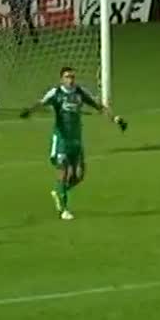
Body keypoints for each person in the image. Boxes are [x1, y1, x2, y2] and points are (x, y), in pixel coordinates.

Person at [20, 67, 127, 220]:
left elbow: (99, 107)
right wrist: (29, 111)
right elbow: (41, 103)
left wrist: (115, 119)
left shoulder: (80, 92)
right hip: (62, 139)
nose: (70, 80)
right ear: (61, 79)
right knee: (63, 172)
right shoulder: (56, 93)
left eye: (72, 77)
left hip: (76, 139)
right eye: (67, 77)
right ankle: (64, 210)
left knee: (79, 175)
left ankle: (59, 191)